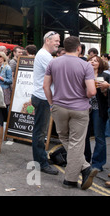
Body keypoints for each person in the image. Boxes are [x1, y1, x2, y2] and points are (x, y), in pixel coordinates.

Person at [43, 36, 99, 190]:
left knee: (65, 138)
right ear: (79, 48)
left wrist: (51, 103)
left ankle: (74, 177)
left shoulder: (53, 63)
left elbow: (45, 87)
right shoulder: (85, 65)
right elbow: (92, 91)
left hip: (59, 106)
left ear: (64, 47)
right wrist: (85, 95)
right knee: (76, 142)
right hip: (80, 108)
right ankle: (80, 171)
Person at [31, 31, 61, 175]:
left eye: (59, 41)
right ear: (47, 40)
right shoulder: (44, 56)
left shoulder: (45, 55)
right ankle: (41, 163)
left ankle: (41, 158)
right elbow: (57, 74)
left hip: (42, 97)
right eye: (56, 41)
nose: (58, 43)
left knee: (40, 131)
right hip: (43, 98)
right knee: (39, 132)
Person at [84, 55, 108, 172]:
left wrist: (106, 87)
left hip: (98, 109)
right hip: (85, 108)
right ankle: (85, 160)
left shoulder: (105, 76)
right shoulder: (84, 74)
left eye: (96, 61)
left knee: (99, 136)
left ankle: (98, 163)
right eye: (91, 60)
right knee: (84, 135)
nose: (93, 62)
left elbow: (106, 95)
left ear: (100, 64)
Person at [0, 51, 13, 127]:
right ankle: (0, 126)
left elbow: (10, 80)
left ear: (4, 58)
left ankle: (5, 127)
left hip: (5, 90)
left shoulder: (7, 67)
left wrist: (1, 78)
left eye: (0, 56)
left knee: (4, 109)